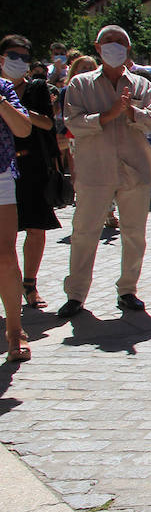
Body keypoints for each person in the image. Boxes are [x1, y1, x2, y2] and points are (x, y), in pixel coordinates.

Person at [57, 25, 151, 319]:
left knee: (134, 234)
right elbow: (73, 123)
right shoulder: (80, 84)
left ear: (128, 48)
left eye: (120, 41)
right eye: (108, 41)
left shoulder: (142, 85)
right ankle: (76, 295)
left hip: (135, 170)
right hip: (94, 171)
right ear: (98, 47)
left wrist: (131, 113)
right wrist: (108, 115)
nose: (114, 45)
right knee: (84, 234)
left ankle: (128, 290)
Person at [4, 48, 61, 312]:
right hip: (4, 167)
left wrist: (15, 108)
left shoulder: (37, 88)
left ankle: (29, 284)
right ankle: (9, 284)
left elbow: (48, 124)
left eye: (23, 57)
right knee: (5, 235)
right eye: (11, 55)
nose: (18, 62)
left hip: (32, 165)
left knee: (35, 227)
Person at [0, 36, 35, 361]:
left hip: (0, 177)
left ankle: (15, 331)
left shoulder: (5, 89)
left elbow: (24, 129)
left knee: (6, 257)